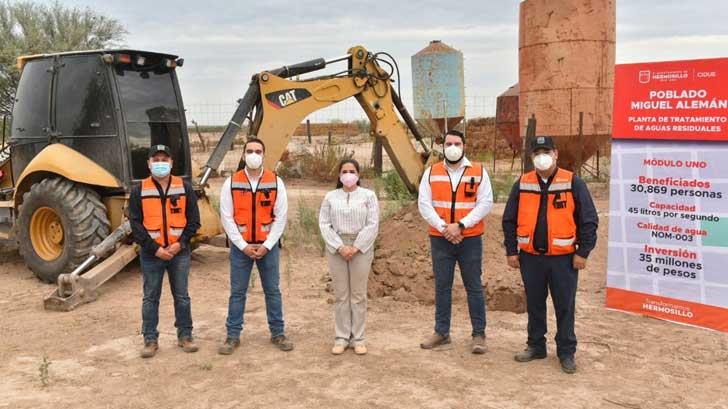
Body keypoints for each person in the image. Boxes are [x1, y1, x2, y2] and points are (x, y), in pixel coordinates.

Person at [502, 136, 598, 374]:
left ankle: (566, 352)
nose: (541, 156)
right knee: (535, 305)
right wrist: (512, 251)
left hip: (564, 260)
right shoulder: (522, 183)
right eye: (537, 152)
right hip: (531, 259)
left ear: (555, 154)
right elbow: (509, 220)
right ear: (531, 157)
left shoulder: (573, 182)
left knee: (565, 306)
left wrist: (583, 252)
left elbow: (589, 221)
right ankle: (536, 346)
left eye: (546, 151)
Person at [418, 129, 493, 354]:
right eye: (448, 143)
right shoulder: (431, 172)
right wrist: (444, 228)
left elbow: (485, 202)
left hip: (469, 239)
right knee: (442, 286)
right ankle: (441, 332)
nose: (452, 147)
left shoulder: (479, 172)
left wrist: (460, 225)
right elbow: (424, 203)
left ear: (464, 146)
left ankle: (478, 334)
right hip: (440, 239)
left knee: (474, 287)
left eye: (457, 143)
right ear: (442, 147)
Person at [218, 137, 293, 354]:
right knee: (237, 292)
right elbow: (227, 217)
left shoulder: (276, 182)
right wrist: (242, 245)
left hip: (267, 248)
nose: (253, 155)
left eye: (258, 151)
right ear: (243, 155)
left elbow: (280, 217)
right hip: (241, 248)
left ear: (264, 155)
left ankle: (278, 333)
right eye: (249, 151)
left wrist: (267, 245)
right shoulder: (231, 183)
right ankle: (232, 336)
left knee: (272, 291)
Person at [129, 144, 201, 359]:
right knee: (150, 297)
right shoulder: (139, 190)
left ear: (171, 163)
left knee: (182, 296)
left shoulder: (184, 188)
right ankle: (150, 339)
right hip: (152, 255)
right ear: (149, 164)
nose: (160, 163)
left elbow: (194, 221)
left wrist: (180, 244)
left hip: (179, 253)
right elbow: (136, 225)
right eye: (156, 159)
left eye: (164, 159)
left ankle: (185, 336)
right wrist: (156, 249)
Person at [319, 159, 379, 355]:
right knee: (341, 294)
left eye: (352, 171)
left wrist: (356, 247)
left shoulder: (368, 196)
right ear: (339, 175)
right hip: (336, 247)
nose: (348, 174)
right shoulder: (330, 197)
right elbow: (324, 224)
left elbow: (372, 224)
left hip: (361, 248)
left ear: (358, 175)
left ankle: (359, 338)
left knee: (358, 295)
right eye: (344, 171)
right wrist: (339, 247)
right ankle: (342, 337)